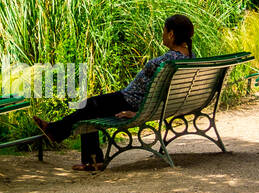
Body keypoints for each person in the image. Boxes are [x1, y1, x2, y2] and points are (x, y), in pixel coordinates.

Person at [33, 13, 196, 172]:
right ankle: (85, 154)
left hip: (130, 100)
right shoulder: (189, 57)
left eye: (164, 31)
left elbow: (158, 91)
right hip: (141, 101)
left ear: (171, 34)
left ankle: (58, 133)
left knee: (90, 105)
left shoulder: (167, 61)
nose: (162, 35)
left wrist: (139, 113)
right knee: (91, 107)